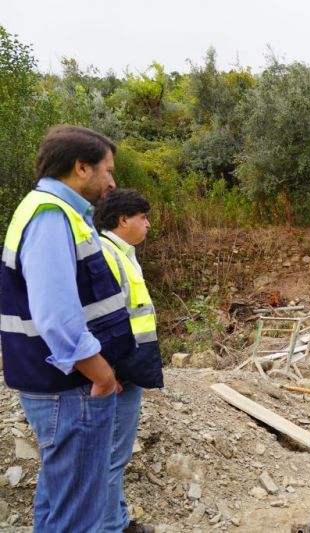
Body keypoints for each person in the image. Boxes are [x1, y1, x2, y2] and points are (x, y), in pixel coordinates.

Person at [0, 126, 135, 532]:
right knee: (78, 511)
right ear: (81, 168)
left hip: (64, 385)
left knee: (64, 502)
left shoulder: (51, 212)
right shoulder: (51, 216)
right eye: (107, 170)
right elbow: (55, 312)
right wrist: (100, 373)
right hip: (69, 387)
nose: (112, 181)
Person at [95, 189, 164, 533]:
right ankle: (111, 527)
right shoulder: (107, 255)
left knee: (114, 455)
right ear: (123, 219)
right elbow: (97, 318)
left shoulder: (122, 253)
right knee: (112, 456)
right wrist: (106, 370)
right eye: (143, 217)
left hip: (125, 368)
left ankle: (116, 521)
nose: (148, 224)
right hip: (116, 374)